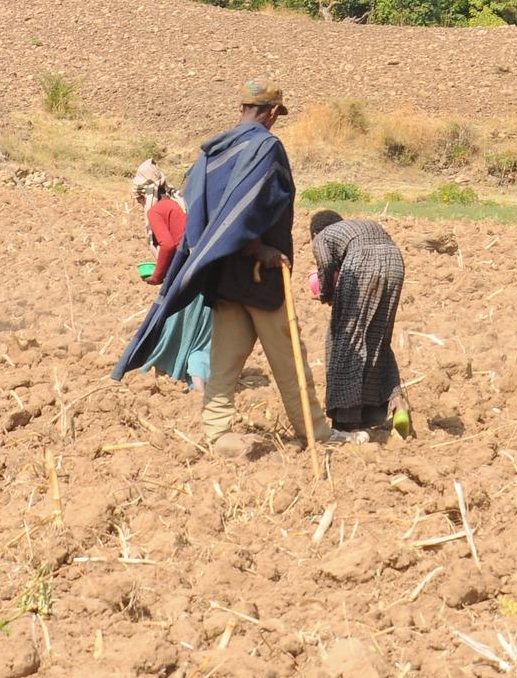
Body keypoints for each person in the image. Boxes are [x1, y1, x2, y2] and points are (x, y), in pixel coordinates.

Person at [113, 80, 361, 447]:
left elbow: (201, 202)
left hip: (224, 272)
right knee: (290, 357)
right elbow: (253, 203)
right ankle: (316, 432)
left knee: (225, 359)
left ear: (241, 108)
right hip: (261, 275)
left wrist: (227, 246)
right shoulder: (265, 147)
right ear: (273, 112)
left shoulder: (216, 151)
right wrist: (256, 247)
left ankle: (217, 432)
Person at [308, 209, 406, 433]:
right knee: (378, 339)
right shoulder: (356, 228)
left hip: (362, 264)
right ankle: (395, 402)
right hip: (394, 260)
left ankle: (347, 419)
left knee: (346, 340)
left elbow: (325, 265)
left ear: (314, 233)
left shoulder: (321, 237)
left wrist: (326, 294)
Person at [133, 160, 186, 286]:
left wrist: (157, 276)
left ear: (144, 195)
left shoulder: (155, 211)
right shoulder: (177, 202)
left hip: (186, 266)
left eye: (139, 200)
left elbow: (168, 245)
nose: (140, 204)